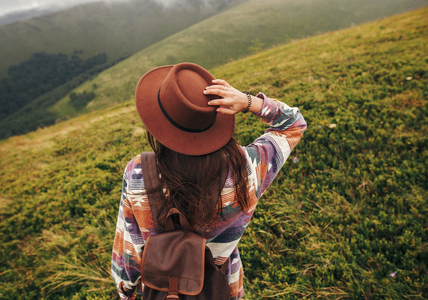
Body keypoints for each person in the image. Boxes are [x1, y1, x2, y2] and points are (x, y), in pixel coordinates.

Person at [111, 63, 307, 300]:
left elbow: (127, 257)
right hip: (223, 288)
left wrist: (127, 293)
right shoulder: (247, 168)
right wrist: (248, 102)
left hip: (161, 290)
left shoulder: (138, 173)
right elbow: (293, 123)